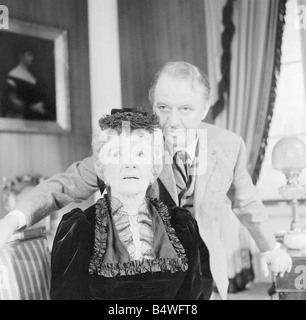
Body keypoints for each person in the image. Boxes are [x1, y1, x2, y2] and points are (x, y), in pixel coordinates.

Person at [0, 61, 292, 300]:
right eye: (164, 108)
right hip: (151, 280)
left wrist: (270, 249)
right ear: (153, 106)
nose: (172, 121)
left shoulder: (229, 145)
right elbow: (62, 185)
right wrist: (10, 222)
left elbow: (247, 203)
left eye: (186, 109)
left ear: (205, 108)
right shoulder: (133, 144)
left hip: (206, 271)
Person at [50, 110, 201, 300]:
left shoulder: (181, 226)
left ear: (153, 168)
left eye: (140, 154)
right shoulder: (79, 229)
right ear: (102, 168)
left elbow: (191, 300)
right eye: (118, 154)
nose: (130, 164)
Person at [0, 48, 49, 120]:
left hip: (34, 118)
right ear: (21, 56)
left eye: (32, 55)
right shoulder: (12, 75)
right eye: (29, 55)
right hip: (18, 118)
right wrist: (32, 108)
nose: (32, 58)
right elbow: (12, 102)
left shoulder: (34, 76)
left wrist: (41, 105)